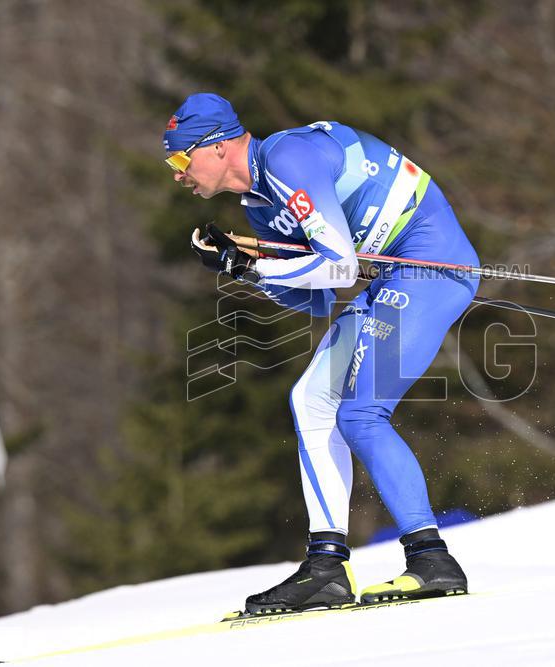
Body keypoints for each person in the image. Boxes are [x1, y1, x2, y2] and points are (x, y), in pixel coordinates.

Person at [164, 92, 479, 614]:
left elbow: (339, 268)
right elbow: (313, 297)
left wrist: (253, 268)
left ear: (216, 147)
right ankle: (327, 568)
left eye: (180, 159)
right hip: (389, 275)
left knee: (361, 414)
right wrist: (242, 261)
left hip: (430, 264)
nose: (178, 174)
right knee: (311, 399)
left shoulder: (287, 157)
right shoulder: (260, 202)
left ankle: (432, 560)